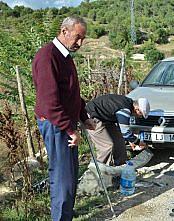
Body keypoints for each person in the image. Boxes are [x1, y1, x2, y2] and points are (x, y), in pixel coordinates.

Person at [32, 16, 95, 220]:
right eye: (77, 37)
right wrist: (70, 129)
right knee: (62, 179)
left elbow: (72, 95)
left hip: (65, 124)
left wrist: (84, 117)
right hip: (56, 125)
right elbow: (49, 102)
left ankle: (65, 214)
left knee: (69, 175)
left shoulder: (65, 56)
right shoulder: (47, 56)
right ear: (64, 31)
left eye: (82, 39)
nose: (80, 43)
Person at [85, 94, 150, 166]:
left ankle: (120, 168)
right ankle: (102, 172)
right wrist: (138, 142)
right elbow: (125, 131)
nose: (139, 116)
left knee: (120, 141)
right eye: (140, 114)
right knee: (107, 146)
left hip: (105, 118)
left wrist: (130, 140)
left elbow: (122, 128)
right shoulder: (125, 109)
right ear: (137, 109)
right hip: (91, 118)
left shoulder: (127, 104)